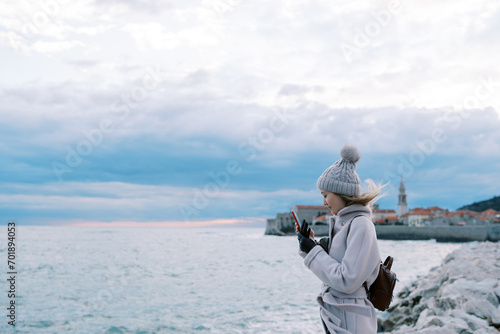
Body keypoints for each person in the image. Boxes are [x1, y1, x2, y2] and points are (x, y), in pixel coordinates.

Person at [296, 144, 382, 334]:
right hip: (340, 313)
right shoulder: (344, 224)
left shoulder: (360, 225)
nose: (324, 202)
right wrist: (311, 245)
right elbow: (336, 269)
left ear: (340, 192)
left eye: (326, 195)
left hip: (351, 318)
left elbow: (347, 280)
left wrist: (313, 251)